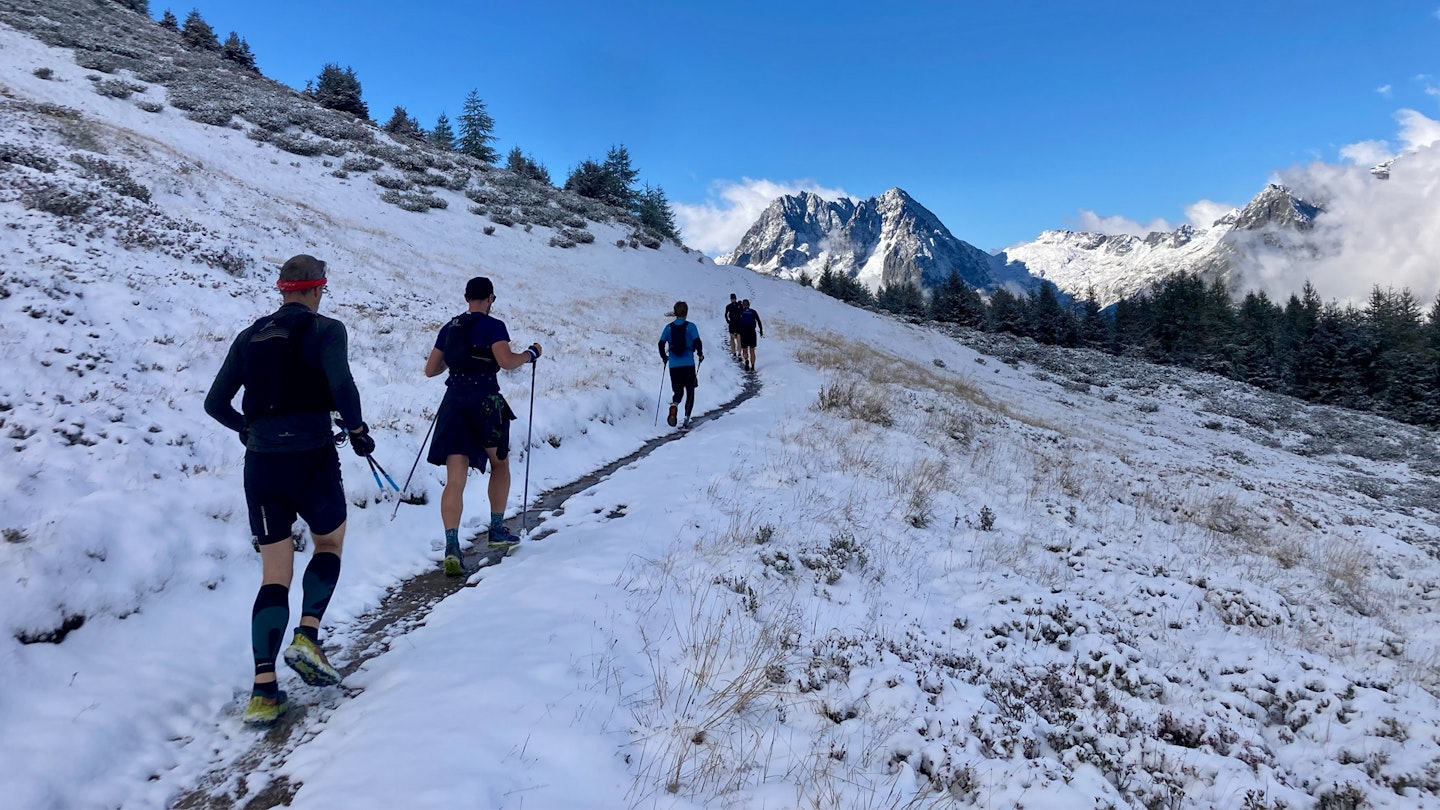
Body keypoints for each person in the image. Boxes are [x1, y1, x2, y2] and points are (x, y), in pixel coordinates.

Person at [204, 254, 375, 728]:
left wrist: (247, 429)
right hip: (313, 456)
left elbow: (215, 403)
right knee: (329, 541)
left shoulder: (250, 336)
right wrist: (358, 430)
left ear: (283, 290)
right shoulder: (327, 330)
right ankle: (308, 637)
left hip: (261, 464)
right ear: (318, 290)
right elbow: (341, 384)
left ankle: (262, 691)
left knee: (273, 572)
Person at [424, 276, 542, 577]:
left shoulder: (449, 327)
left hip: (454, 403)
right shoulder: (494, 326)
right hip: (485, 402)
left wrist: (458, 361)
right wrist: (530, 354)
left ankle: (452, 546)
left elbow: (430, 370)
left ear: (467, 298)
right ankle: (497, 529)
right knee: (499, 463)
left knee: (455, 478)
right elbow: (505, 361)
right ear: (489, 299)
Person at [659, 301, 704, 430]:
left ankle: (674, 405)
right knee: (690, 391)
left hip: (674, 365)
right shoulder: (691, 327)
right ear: (686, 312)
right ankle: (686, 420)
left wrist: (664, 357)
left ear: (675, 313)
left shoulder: (668, 328)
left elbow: (660, 344)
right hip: (688, 364)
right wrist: (700, 354)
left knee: (678, 391)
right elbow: (697, 341)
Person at [738, 299, 764, 371]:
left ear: (743, 305)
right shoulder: (753, 312)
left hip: (744, 333)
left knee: (745, 350)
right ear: (749, 305)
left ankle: (746, 360)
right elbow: (758, 321)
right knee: (752, 350)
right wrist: (761, 331)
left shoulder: (741, 312)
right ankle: (752, 366)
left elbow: (738, 322)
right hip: (752, 332)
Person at [724, 293, 743, 357]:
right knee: (732, 338)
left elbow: (742, 313)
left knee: (738, 338)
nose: (733, 300)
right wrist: (728, 321)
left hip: (738, 323)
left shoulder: (739, 305)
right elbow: (726, 314)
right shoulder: (729, 306)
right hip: (732, 323)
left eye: (734, 298)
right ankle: (734, 352)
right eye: (732, 298)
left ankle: (739, 352)